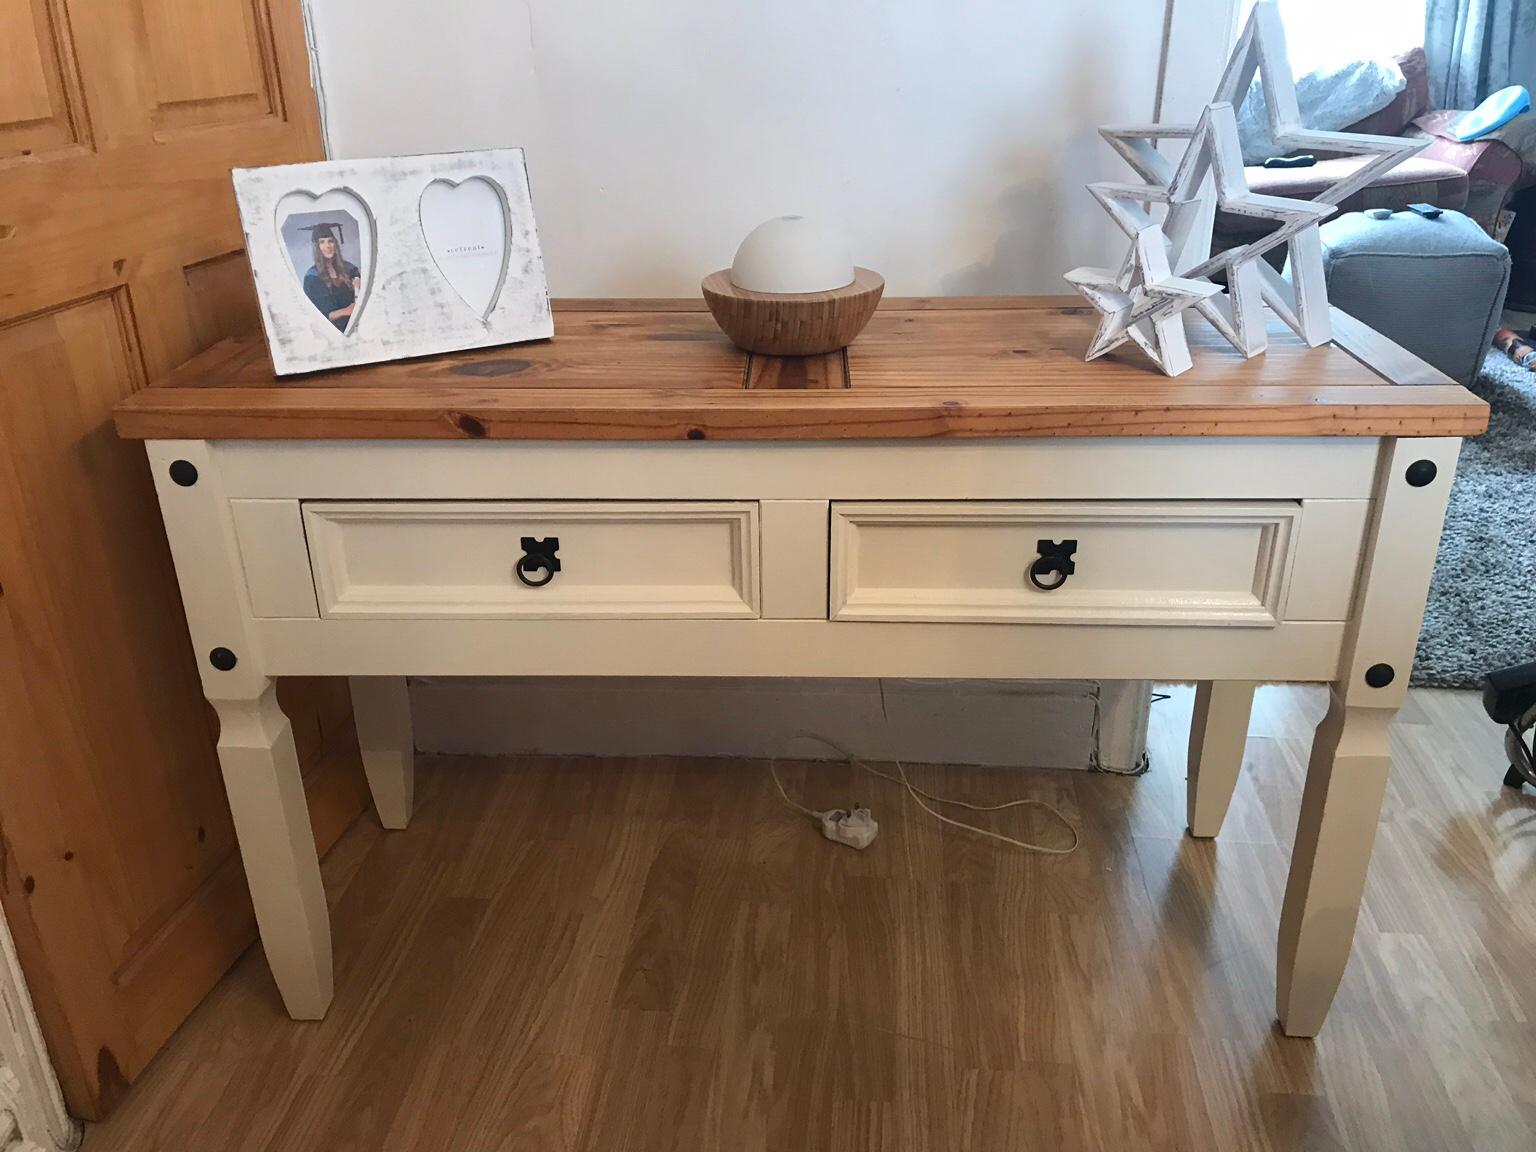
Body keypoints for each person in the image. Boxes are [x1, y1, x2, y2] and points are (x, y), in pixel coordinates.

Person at [299, 222, 362, 331]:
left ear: (335, 244)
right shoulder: (312, 277)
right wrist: (346, 311)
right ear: (316, 247)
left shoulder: (350, 269)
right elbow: (317, 315)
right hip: (333, 332)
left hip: (357, 325)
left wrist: (358, 284)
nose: (327, 246)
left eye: (330, 241)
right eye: (322, 242)